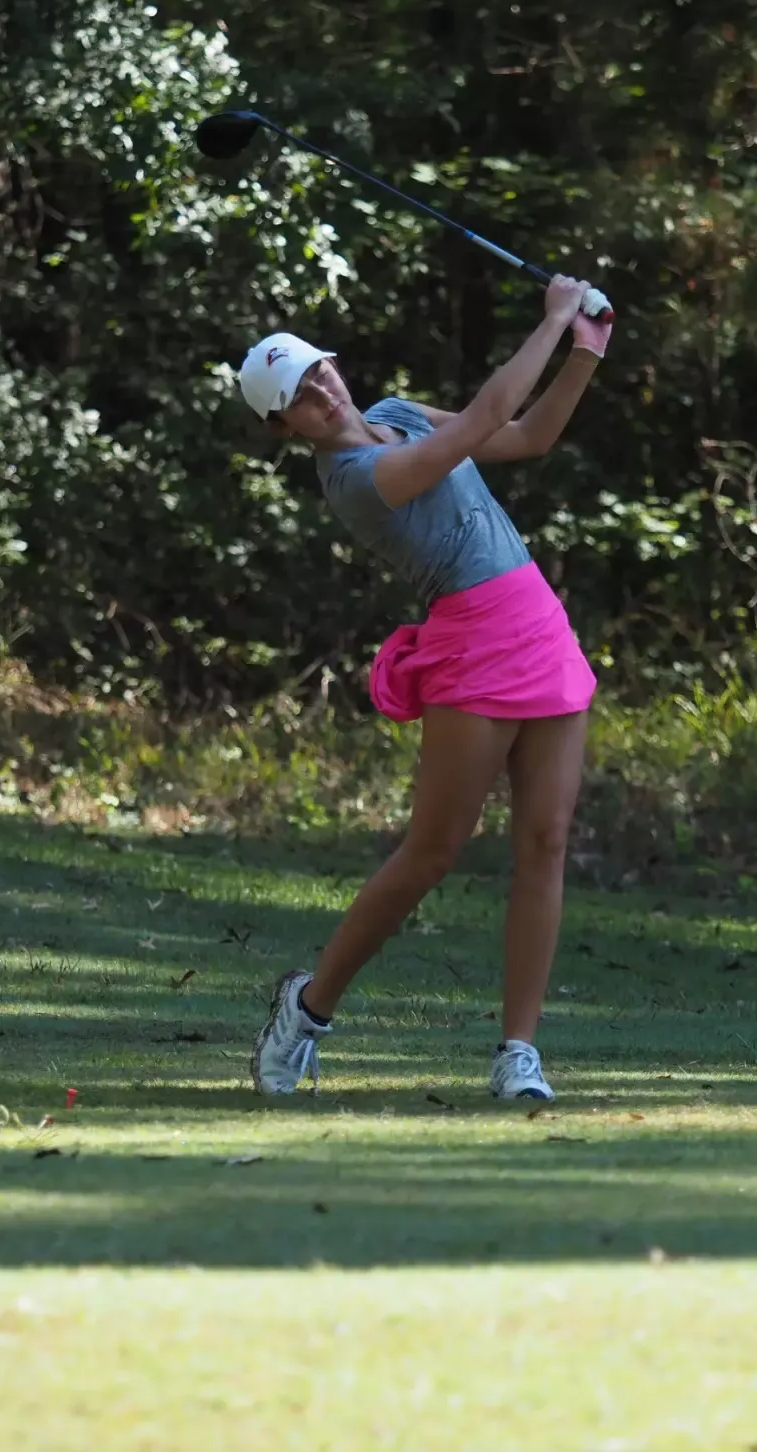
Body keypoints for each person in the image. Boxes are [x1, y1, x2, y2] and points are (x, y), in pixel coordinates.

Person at [236, 274, 611, 1101]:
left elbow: (525, 436)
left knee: (546, 843)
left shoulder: (398, 412)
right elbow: (480, 419)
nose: (321, 393)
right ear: (284, 427)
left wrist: (584, 353)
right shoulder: (354, 479)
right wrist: (554, 319)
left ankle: (519, 1052)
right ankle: (306, 1010)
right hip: (473, 645)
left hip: (539, 625)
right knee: (434, 851)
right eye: (299, 397)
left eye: (318, 372)